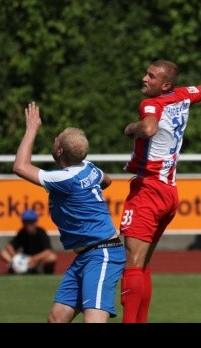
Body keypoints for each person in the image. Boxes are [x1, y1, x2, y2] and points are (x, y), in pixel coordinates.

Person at [120, 39, 201, 323]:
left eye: (151, 76)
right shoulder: (183, 95)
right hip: (169, 190)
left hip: (148, 189)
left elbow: (147, 128)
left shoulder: (150, 104)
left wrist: (130, 128)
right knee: (143, 265)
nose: (144, 79)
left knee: (132, 265)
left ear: (165, 86)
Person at [12, 102, 125, 323]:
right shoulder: (90, 168)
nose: (54, 140)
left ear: (60, 150)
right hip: (85, 255)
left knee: (93, 320)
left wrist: (32, 129)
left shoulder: (64, 178)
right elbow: (107, 180)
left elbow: (20, 167)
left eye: (56, 139)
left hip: (102, 254)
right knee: (56, 318)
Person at [0, 208, 58, 274]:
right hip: (24, 260)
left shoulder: (41, 232)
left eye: (30, 222)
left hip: (38, 260)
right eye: (25, 222)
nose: (27, 225)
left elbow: (48, 251)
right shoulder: (22, 232)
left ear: (35, 222)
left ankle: (43, 272)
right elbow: (9, 246)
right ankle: (17, 268)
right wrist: (16, 258)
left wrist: (35, 259)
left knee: (52, 257)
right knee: (3, 253)